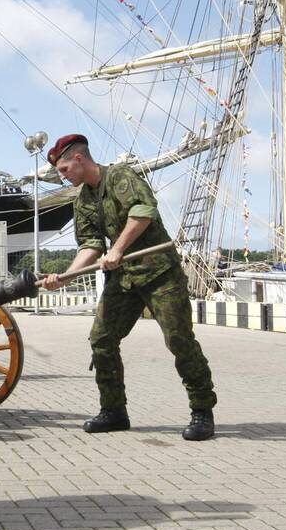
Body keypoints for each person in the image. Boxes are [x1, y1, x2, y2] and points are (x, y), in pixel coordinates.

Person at [40, 134, 217, 441]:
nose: (62, 175)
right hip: (123, 279)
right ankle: (114, 411)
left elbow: (143, 212)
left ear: (79, 159)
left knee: (179, 339)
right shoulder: (83, 199)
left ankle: (202, 410)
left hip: (158, 272)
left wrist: (118, 248)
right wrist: (66, 277)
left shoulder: (122, 176)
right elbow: (91, 245)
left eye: (65, 169)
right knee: (102, 339)